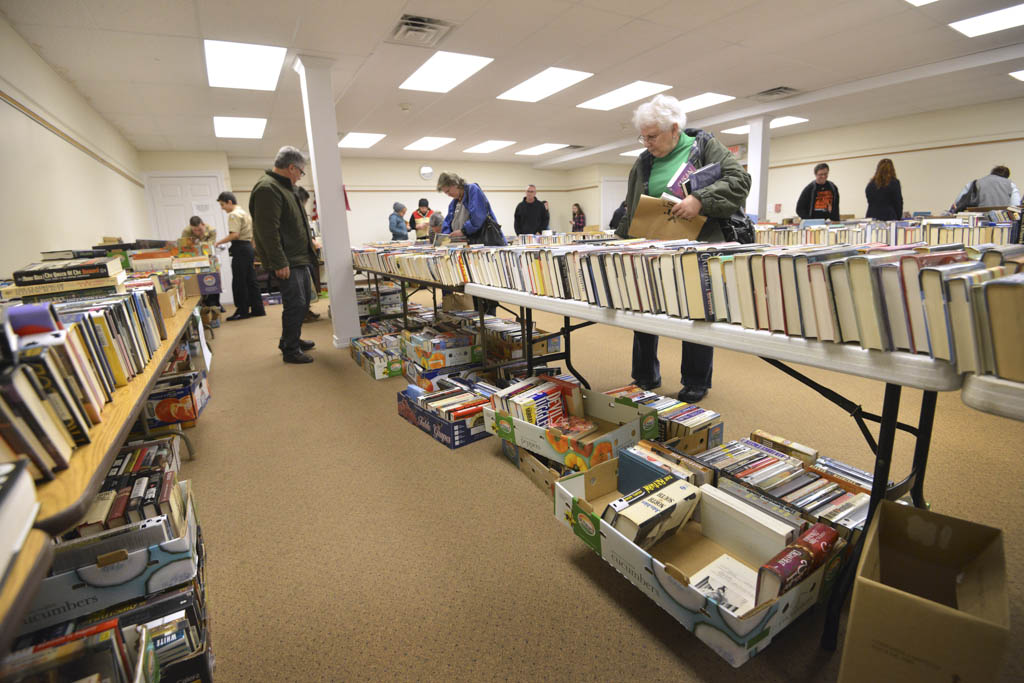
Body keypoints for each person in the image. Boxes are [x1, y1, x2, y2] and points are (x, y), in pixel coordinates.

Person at [615, 94, 751, 403]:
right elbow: (632, 206)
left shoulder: (704, 147)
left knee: (696, 313)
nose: (646, 142)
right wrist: (619, 244)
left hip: (698, 247)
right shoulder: (643, 161)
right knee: (644, 311)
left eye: (652, 136)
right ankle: (645, 375)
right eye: (643, 136)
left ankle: (695, 381)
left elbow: (739, 181)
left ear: (675, 129)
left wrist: (700, 199)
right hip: (653, 247)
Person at [250, 145, 318, 364]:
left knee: (303, 301)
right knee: (295, 303)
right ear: (291, 167)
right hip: (287, 259)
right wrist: (279, 261)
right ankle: (290, 349)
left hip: (299, 257)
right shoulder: (267, 188)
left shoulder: (285, 188)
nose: (300, 176)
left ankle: (292, 339)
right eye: (301, 172)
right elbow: (267, 230)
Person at [437, 171, 506, 313]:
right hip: (469, 248)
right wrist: (444, 238)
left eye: (448, 191)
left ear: (455, 184)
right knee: (474, 287)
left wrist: (463, 231)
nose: (448, 194)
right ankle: (480, 317)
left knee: (487, 286)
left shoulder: (473, 190)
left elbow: (478, 216)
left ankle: (490, 318)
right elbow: (447, 223)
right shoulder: (454, 202)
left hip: (484, 245)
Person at [214, 192, 265, 321]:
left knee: (239, 281)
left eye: (222, 204)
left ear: (229, 202)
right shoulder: (244, 213)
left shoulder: (233, 215)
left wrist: (219, 242)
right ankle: (258, 309)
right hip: (248, 247)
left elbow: (235, 235)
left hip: (240, 248)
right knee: (251, 280)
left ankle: (242, 311)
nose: (222, 208)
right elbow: (253, 234)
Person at [180, 216, 221, 320]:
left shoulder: (211, 230)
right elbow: (184, 248)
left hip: (209, 259)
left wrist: (197, 244)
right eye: (195, 230)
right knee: (197, 287)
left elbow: (210, 248)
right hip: (194, 261)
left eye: (199, 229)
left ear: (203, 224)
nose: (197, 232)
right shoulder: (186, 231)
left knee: (213, 283)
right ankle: (203, 309)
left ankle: (215, 308)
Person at [295, 186, 321, 323]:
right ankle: (303, 313)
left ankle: (307, 310)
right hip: (298, 257)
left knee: (308, 286)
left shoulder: (299, 212)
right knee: (302, 290)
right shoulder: (293, 213)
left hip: (305, 255)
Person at [952, 166, 1021, 211]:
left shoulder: (976, 182)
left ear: (992, 172)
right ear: (1007, 176)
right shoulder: (1011, 185)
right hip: (1002, 221)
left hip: (978, 221)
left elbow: (957, 202)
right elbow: (1015, 206)